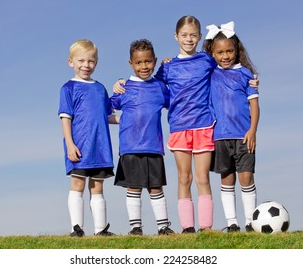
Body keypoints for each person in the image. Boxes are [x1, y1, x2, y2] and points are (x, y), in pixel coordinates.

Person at [113, 16, 258, 233]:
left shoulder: (207, 60)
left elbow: (229, 67)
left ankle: (206, 227)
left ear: (200, 37)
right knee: (184, 177)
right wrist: (120, 84)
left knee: (202, 178)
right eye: (184, 35)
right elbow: (149, 84)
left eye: (193, 35)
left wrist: (251, 80)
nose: (188, 39)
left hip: (204, 126)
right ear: (176, 37)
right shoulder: (168, 67)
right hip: (179, 127)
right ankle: (188, 227)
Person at [110, 39, 174, 236]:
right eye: (139, 63)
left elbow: (177, 103)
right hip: (130, 147)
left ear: (154, 61)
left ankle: (163, 227)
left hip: (154, 147)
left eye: (147, 62)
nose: (144, 66)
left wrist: (168, 67)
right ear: (131, 63)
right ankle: (135, 228)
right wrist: (122, 119)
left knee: (156, 187)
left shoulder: (160, 88)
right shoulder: (124, 88)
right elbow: (105, 111)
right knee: (134, 187)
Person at [203, 21, 260, 232]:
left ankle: (250, 222)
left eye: (229, 51)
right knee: (226, 178)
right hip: (219, 136)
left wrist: (252, 130)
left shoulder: (245, 74)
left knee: (246, 176)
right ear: (212, 52)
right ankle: (232, 223)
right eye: (220, 52)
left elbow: (254, 105)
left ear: (237, 50)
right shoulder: (209, 73)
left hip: (244, 135)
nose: (225, 56)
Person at [58, 39, 116, 237]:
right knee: (78, 184)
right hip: (80, 146)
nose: (86, 65)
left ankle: (101, 229)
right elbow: (65, 119)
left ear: (96, 63)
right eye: (81, 60)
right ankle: (76, 228)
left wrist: (132, 119)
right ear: (71, 62)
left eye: (91, 61)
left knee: (98, 186)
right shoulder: (68, 88)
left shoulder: (100, 88)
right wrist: (70, 144)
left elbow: (107, 116)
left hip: (100, 147)